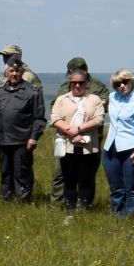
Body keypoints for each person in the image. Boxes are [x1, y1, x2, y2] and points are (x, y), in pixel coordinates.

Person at [0, 59, 47, 202]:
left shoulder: (33, 92)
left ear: (22, 72)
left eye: (17, 71)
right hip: (3, 140)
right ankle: (6, 200)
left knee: (22, 172)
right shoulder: (0, 93)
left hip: (22, 140)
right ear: (6, 72)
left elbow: (39, 117)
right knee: (5, 173)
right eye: (11, 71)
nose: (14, 74)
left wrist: (34, 137)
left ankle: (23, 201)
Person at [49, 68, 105, 211]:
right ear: (70, 84)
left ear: (86, 83)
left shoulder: (94, 99)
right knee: (69, 179)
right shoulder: (62, 99)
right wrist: (71, 132)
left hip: (88, 146)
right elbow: (55, 118)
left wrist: (78, 129)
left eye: (81, 82)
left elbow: (98, 119)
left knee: (86, 178)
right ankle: (70, 208)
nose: (77, 86)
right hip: (67, 145)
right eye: (74, 83)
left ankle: (84, 208)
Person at [102, 70, 134, 218]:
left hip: (132, 148)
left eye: (125, 81)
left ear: (131, 81)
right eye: (118, 83)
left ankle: (132, 218)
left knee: (132, 188)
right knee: (116, 187)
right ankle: (117, 216)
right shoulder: (112, 97)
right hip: (111, 147)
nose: (122, 86)